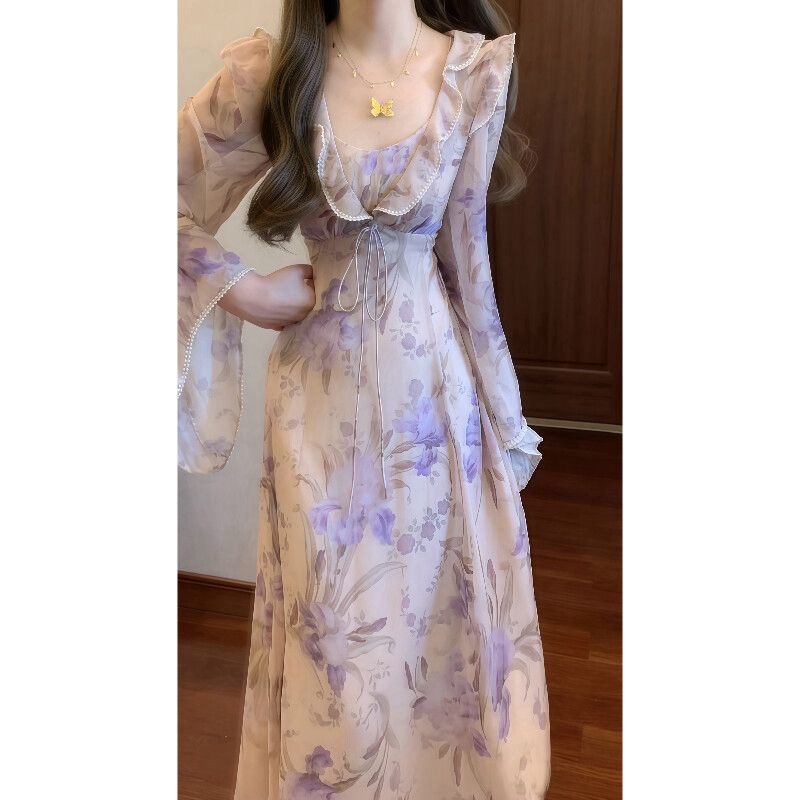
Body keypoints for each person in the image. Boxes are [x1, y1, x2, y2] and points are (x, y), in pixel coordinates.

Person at [178, 1, 550, 797]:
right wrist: (242, 288)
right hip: (314, 415)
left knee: (436, 631)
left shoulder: (471, 73)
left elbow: (470, 267)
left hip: (435, 410)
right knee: (335, 646)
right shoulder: (276, 74)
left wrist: (506, 422)